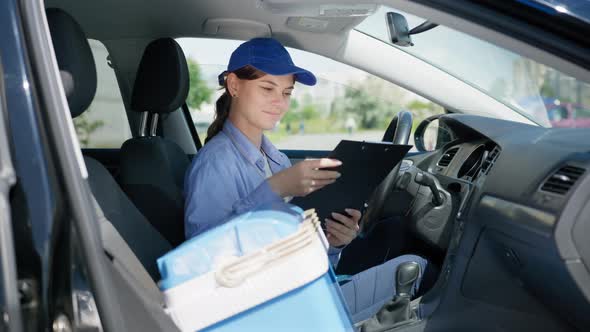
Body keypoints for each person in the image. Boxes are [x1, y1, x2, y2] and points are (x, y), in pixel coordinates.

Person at [184, 38, 427, 323]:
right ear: (234, 85)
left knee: (416, 267)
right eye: (267, 89)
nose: (280, 103)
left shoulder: (276, 159)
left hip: (302, 289)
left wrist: (334, 242)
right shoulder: (215, 164)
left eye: (287, 92)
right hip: (267, 313)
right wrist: (276, 189)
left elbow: (293, 246)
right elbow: (208, 266)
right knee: (420, 274)